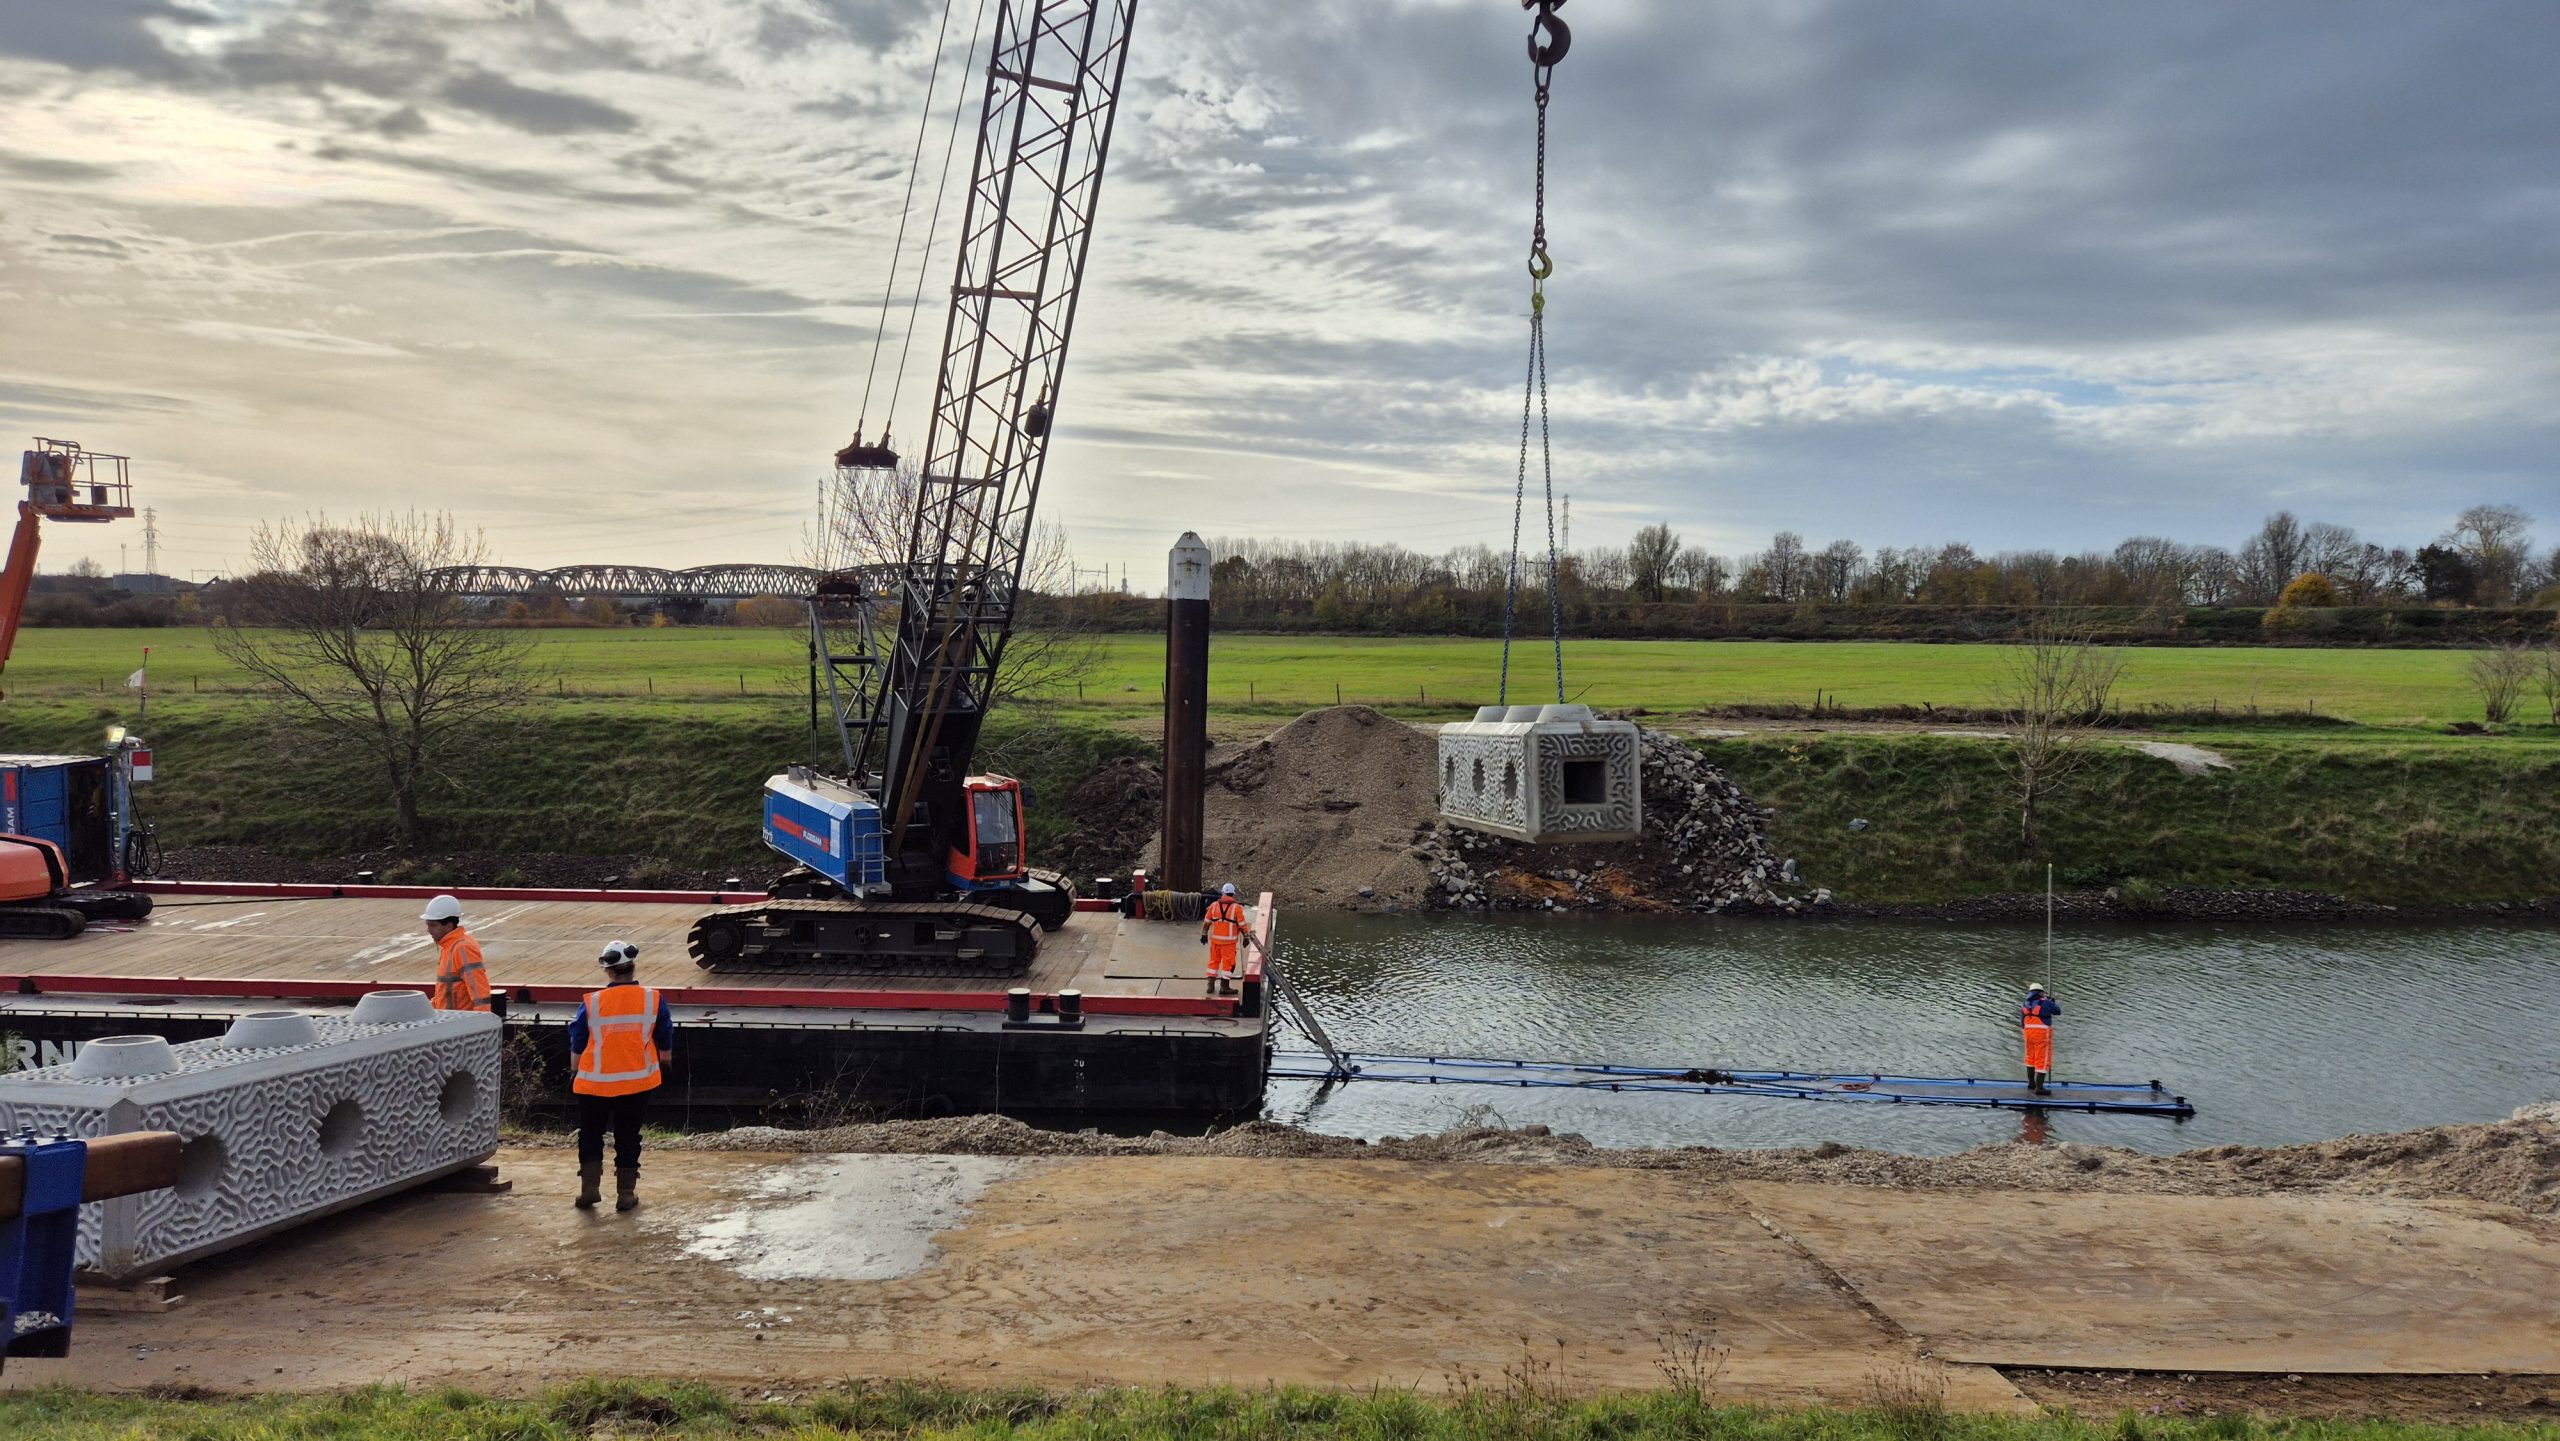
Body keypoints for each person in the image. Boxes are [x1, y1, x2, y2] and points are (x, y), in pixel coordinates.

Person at [567, 940, 674, 1213]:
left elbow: (578, 1039)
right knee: (628, 1135)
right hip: (636, 1082)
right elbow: (664, 1034)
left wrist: (574, 1071)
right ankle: (626, 1194)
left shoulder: (593, 1002)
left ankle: (589, 1189)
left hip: (594, 1084)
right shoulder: (652, 999)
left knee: (590, 1133)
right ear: (633, 967)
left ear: (608, 971)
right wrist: (665, 1061)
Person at [421, 895, 491, 1013]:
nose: (429, 930)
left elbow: (480, 994)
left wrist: (482, 1021)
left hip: (459, 1021)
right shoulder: (448, 946)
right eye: (428, 925)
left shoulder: (462, 948)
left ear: (449, 926)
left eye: (433, 925)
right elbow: (444, 993)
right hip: (449, 1019)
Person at [1199, 882, 1252, 996]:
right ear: (1233, 894)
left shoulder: (1213, 906)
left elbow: (1206, 922)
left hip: (1215, 941)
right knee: (1228, 964)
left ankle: (1210, 985)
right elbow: (1242, 925)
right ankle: (1224, 987)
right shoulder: (1237, 908)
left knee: (1214, 962)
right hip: (1229, 943)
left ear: (1222, 893)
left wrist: (1204, 935)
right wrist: (1246, 937)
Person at [2020, 982, 2061, 1095]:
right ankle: (2039, 1088)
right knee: (2042, 1060)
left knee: (2030, 1058)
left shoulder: (2025, 1004)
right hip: (2041, 1034)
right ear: (2040, 992)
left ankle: (2031, 1083)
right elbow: (2058, 1011)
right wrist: (2052, 1002)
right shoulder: (2045, 1002)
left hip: (2028, 1034)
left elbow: (2022, 1022)